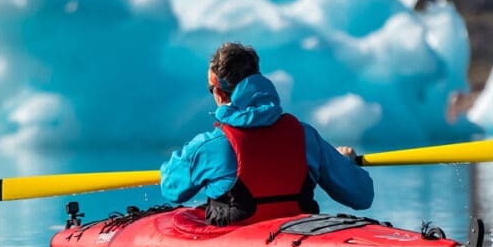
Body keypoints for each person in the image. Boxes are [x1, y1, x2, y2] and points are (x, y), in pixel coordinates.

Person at [159, 42, 374, 226]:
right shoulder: (306, 137)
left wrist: (183, 163)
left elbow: (171, 189)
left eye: (210, 89)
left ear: (220, 92)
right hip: (298, 239)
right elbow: (362, 196)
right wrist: (346, 164)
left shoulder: (210, 146)